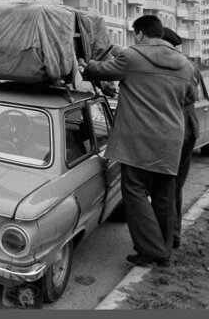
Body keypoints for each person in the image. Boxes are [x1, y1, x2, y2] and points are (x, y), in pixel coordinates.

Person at [80, 15, 194, 268]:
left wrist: (85, 65)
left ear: (140, 34)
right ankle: (165, 248)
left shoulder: (131, 57)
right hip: (170, 141)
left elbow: (99, 70)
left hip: (138, 141)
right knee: (164, 196)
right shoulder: (186, 65)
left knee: (135, 194)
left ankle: (150, 250)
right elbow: (189, 97)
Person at [161, 27, 200, 250]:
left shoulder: (175, 64)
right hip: (188, 127)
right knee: (175, 186)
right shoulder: (188, 64)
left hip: (178, 126)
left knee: (167, 186)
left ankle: (167, 237)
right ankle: (173, 235)